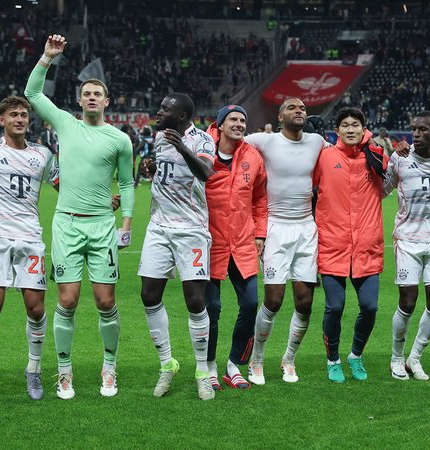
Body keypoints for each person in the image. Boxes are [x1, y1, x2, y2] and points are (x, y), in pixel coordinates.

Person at [25, 34, 134, 399]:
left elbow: (129, 183)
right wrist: (47, 57)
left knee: (106, 301)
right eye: (85, 93)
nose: (91, 97)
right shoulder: (65, 124)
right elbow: (33, 95)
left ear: (106, 101)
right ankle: (65, 372)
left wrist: (127, 221)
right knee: (68, 300)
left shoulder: (120, 139)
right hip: (67, 223)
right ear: (79, 100)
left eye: (96, 94)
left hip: (103, 224)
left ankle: (109, 367)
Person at [0, 96, 57, 402]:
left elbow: (65, 186)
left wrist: (100, 200)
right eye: (13, 115)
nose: (19, 119)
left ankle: (33, 370)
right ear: (1, 120)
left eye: (23, 114)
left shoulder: (42, 155)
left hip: (30, 238)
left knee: (35, 308)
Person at [137, 93, 216, 400]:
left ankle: (201, 372)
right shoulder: (159, 138)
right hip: (159, 226)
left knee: (195, 300)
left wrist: (182, 147)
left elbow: (206, 173)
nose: (158, 112)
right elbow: (163, 170)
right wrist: (151, 169)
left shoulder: (203, 140)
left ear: (182, 116)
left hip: (191, 229)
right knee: (148, 294)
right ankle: (167, 364)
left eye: (165, 109)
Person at [244, 98, 327, 385]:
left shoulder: (316, 142)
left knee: (305, 303)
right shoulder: (265, 141)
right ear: (280, 117)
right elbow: (230, 137)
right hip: (276, 227)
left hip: (306, 228)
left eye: (302, 108)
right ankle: (256, 360)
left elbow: (345, 147)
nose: (299, 111)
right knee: (274, 299)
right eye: (292, 108)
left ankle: (289, 359)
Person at [315, 107, 388, 383]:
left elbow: (392, 181)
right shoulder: (324, 157)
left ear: (363, 129)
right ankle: (332, 360)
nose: (350, 129)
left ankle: (355, 355)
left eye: (355, 125)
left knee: (369, 307)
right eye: (344, 125)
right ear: (337, 130)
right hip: (333, 244)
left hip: (367, 245)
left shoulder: (376, 156)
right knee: (335, 307)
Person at [384, 111, 430, 381]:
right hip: (408, 240)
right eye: (413, 129)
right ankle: (396, 357)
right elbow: (382, 189)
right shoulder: (400, 159)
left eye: (423, 130)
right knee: (408, 301)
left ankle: (414, 358)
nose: (416, 134)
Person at [203, 105, 267, 390]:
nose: (239, 124)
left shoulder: (253, 157)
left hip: (242, 241)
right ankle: (209, 366)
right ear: (220, 124)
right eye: (233, 119)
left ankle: (233, 364)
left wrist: (261, 234)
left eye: (243, 119)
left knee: (251, 303)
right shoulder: (203, 152)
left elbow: (260, 199)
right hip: (209, 242)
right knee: (212, 308)